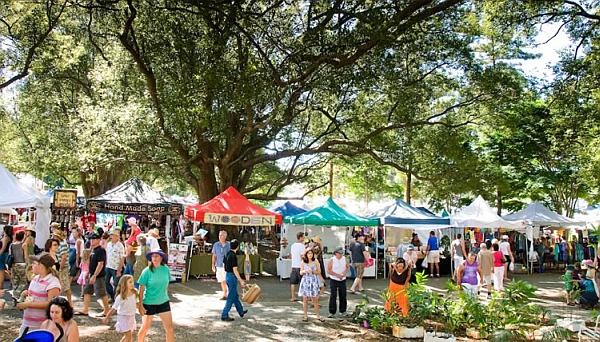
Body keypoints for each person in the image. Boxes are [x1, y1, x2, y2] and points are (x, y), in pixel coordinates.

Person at [17, 253, 62, 335]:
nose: (32, 265)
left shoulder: (53, 282)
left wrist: (28, 305)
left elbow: (51, 304)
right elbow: (34, 297)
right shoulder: (35, 278)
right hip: (27, 323)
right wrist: (25, 295)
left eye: (34, 263)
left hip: (41, 326)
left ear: (41, 266)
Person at [138, 249, 175, 342]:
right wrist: (140, 305)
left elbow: (166, 284)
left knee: (169, 329)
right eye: (152, 256)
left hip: (163, 302)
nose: (154, 258)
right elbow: (141, 289)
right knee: (145, 328)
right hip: (149, 302)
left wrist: (165, 295)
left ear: (161, 258)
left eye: (156, 256)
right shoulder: (146, 271)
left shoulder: (165, 269)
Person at [76, 233, 109, 317]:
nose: (91, 241)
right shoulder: (92, 249)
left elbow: (100, 264)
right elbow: (91, 263)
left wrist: (94, 275)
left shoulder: (101, 250)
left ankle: (106, 310)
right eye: (90, 239)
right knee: (87, 291)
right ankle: (85, 309)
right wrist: (88, 273)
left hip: (99, 275)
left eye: (93, 239)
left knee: (101, 293)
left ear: (98, 240)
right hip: (92, 274)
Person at [103, 275, 139, 342]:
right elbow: (113, 308)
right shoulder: (121, 297)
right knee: (129, 336)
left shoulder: (135, 292)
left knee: (127, 336)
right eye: (130, 282)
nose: (132, 284)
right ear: (124, 284)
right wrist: (106, 317)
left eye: (132, 282)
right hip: (123, 317)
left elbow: (137, 304)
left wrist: (142, 309)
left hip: (131, 317)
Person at [220, 239, 248, 322]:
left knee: (234, 295)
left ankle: (240, 311)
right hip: (232, 276)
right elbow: (235, 269)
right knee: (231, 297)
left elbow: (224, 264)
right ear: (237, 247)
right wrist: (241, 280)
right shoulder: (234, 256)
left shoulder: (227, 253)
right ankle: (224, 314)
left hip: (227, 275)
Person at [298, 247, 323, 322]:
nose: (310, 255)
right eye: (308, 253)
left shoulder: (315, 261)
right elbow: (300, 272)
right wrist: (305, 271)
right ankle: (305, 315)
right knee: (305, 299)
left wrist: (312, 271)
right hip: (305, 281)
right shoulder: (303, 262)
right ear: (306, 254)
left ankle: (318, 316)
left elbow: (319, 272)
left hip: (313, 281)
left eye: (311, 253)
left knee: (315, 299)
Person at [327, 246, 350, 319]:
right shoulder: (332, 260)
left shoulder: (344, 259)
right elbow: (328, 270)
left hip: (342, 279)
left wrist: (344, 273)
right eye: (339, 253)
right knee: (333, 295)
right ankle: (332, 311)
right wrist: (337, 275)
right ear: (336, 253)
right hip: (334, 279)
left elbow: (347, 267)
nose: (340, 255)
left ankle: (343, 310)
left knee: (343, 295)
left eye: (341, 253)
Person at [106, 228, 125, 303]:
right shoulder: (108, 244)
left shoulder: (120, 246)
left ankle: (116, 299)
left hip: (116, 267)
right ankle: (112, 296)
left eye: (113, 235)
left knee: (116, 284)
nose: (111, 236)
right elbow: (107, 255)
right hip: (108, 266)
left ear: (117, 236)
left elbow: (122, 258)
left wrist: (119, 269)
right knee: (106, 282)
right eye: (111, 235)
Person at [54, 229, 73, 305]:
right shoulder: (59, 244)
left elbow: (64, 258)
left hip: (63, 267)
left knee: (65, 285)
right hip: (60, 266)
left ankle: (70, 302)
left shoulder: (62, 244)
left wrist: (60, 268)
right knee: (61, 284)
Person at [212, 230, 231, 300]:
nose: (220, 237)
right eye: (219, 235)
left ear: (225, 236)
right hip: (219, 264)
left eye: (222, 235)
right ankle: (225, 294)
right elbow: (214, 255)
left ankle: (229, 293)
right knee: (222, 280)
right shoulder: (216, 245)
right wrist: (213, 265)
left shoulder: (229, 245)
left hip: (227, 265)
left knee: (228, 279)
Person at [289, 231, 305, 302]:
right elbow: (302, 256)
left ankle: (293, 296)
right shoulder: (302, 246)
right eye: (303, 237)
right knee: (303, 281)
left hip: (294, 265)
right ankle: (305, 297)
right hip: (300, 265)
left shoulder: (293, 245)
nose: (304, 238)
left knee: (293, 282)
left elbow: (291, 255)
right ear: (300, 237)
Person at [0, 225, 14, 290]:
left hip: (2, 254)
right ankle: (12, 280)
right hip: (4, 254)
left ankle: (1, 285)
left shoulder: (6, 238)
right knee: (2, 269)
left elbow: (3, 247)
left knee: (1, 270)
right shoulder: (8, 237)